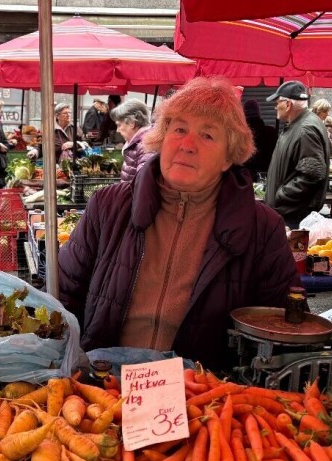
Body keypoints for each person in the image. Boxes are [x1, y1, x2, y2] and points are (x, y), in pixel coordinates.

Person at [57, 77, 298, 372]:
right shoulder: (107, 206)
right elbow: (62, 298)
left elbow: (285, 329)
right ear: (162, 137)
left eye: (207, 136)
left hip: (204, 392)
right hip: (102, 385)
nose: (187, 145)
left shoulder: (263, 229)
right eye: (180, 129)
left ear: (229, 157)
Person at [265, 80, 331, 228]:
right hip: (291, 212)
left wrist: (281, 195)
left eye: (277, 102)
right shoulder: (300, 125)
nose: (275, 106)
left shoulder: (304, 129)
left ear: (288, 104)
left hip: (293, 215)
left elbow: (313, 174)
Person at [110, 98, 153, 182]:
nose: (117, 130)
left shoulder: (145, 147)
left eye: (119, 125)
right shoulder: (137, 145)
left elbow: (142, 184)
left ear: (131, 123)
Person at [242, 99, 278, 175]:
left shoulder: (241, 136)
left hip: (247, 177)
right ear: (259, 113)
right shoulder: (271, 132)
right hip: (268, 176)